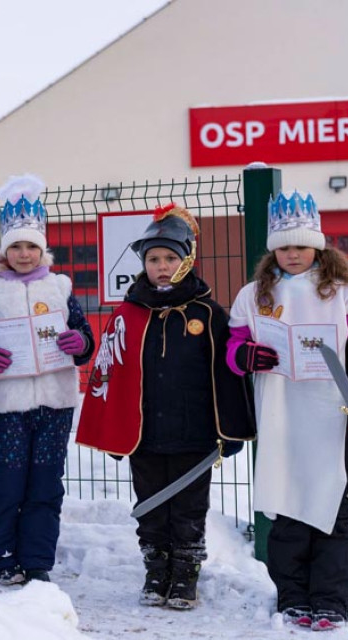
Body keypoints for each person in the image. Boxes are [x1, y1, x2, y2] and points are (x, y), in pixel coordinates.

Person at [75, 203, 255, 609]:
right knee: (150, 507)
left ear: (187, 259)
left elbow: (227, 375)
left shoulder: (209, 314)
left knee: (189, 510)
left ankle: (185, 578)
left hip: (195, 434)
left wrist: (230, 429)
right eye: (154, 258)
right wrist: (109, 426)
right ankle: (156, 573)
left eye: (170, 258)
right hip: (145, 434)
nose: (161, 265)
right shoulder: (128, 313)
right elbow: (108, 372)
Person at [226, 191, 348, 631]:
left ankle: (330, 600)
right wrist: (248, 356)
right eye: (284, 246)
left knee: (331, 505)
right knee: (287, 504)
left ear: (318, 246)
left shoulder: (344, 292)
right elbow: (234, 345)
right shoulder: (254, 294)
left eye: (301, 245)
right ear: (273, 249)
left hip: (332, 413)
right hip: (280, 411)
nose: (292, 254)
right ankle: (293, 595)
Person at [0, 175, 94, 586]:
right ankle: (2, 557)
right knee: (6, 482)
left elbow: (83, 335)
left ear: (43, 250)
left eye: (31, 246)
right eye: (16, 246)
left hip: (54, 403)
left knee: (45, 483)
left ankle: (37, 560)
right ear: (5, 250)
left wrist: (81, 342)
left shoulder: (60, 288)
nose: (24, 254)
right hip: (7, 404)